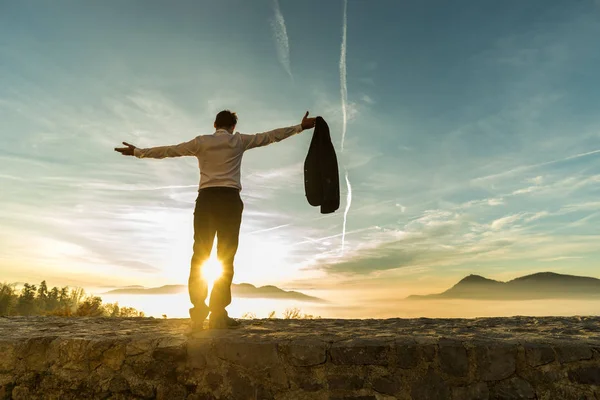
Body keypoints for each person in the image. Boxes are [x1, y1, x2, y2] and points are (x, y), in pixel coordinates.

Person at [115, 110, 317, 329]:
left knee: (200, 255)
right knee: (225, 257)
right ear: (233, 127)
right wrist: (300, 127)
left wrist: (138, 152)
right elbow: (271, 136)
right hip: (230, 201)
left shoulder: (201, 142)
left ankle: (199, 314)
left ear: (215, 124)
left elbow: (170, 150)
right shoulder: (239, 140)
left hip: (206, 201)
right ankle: (219, 315)